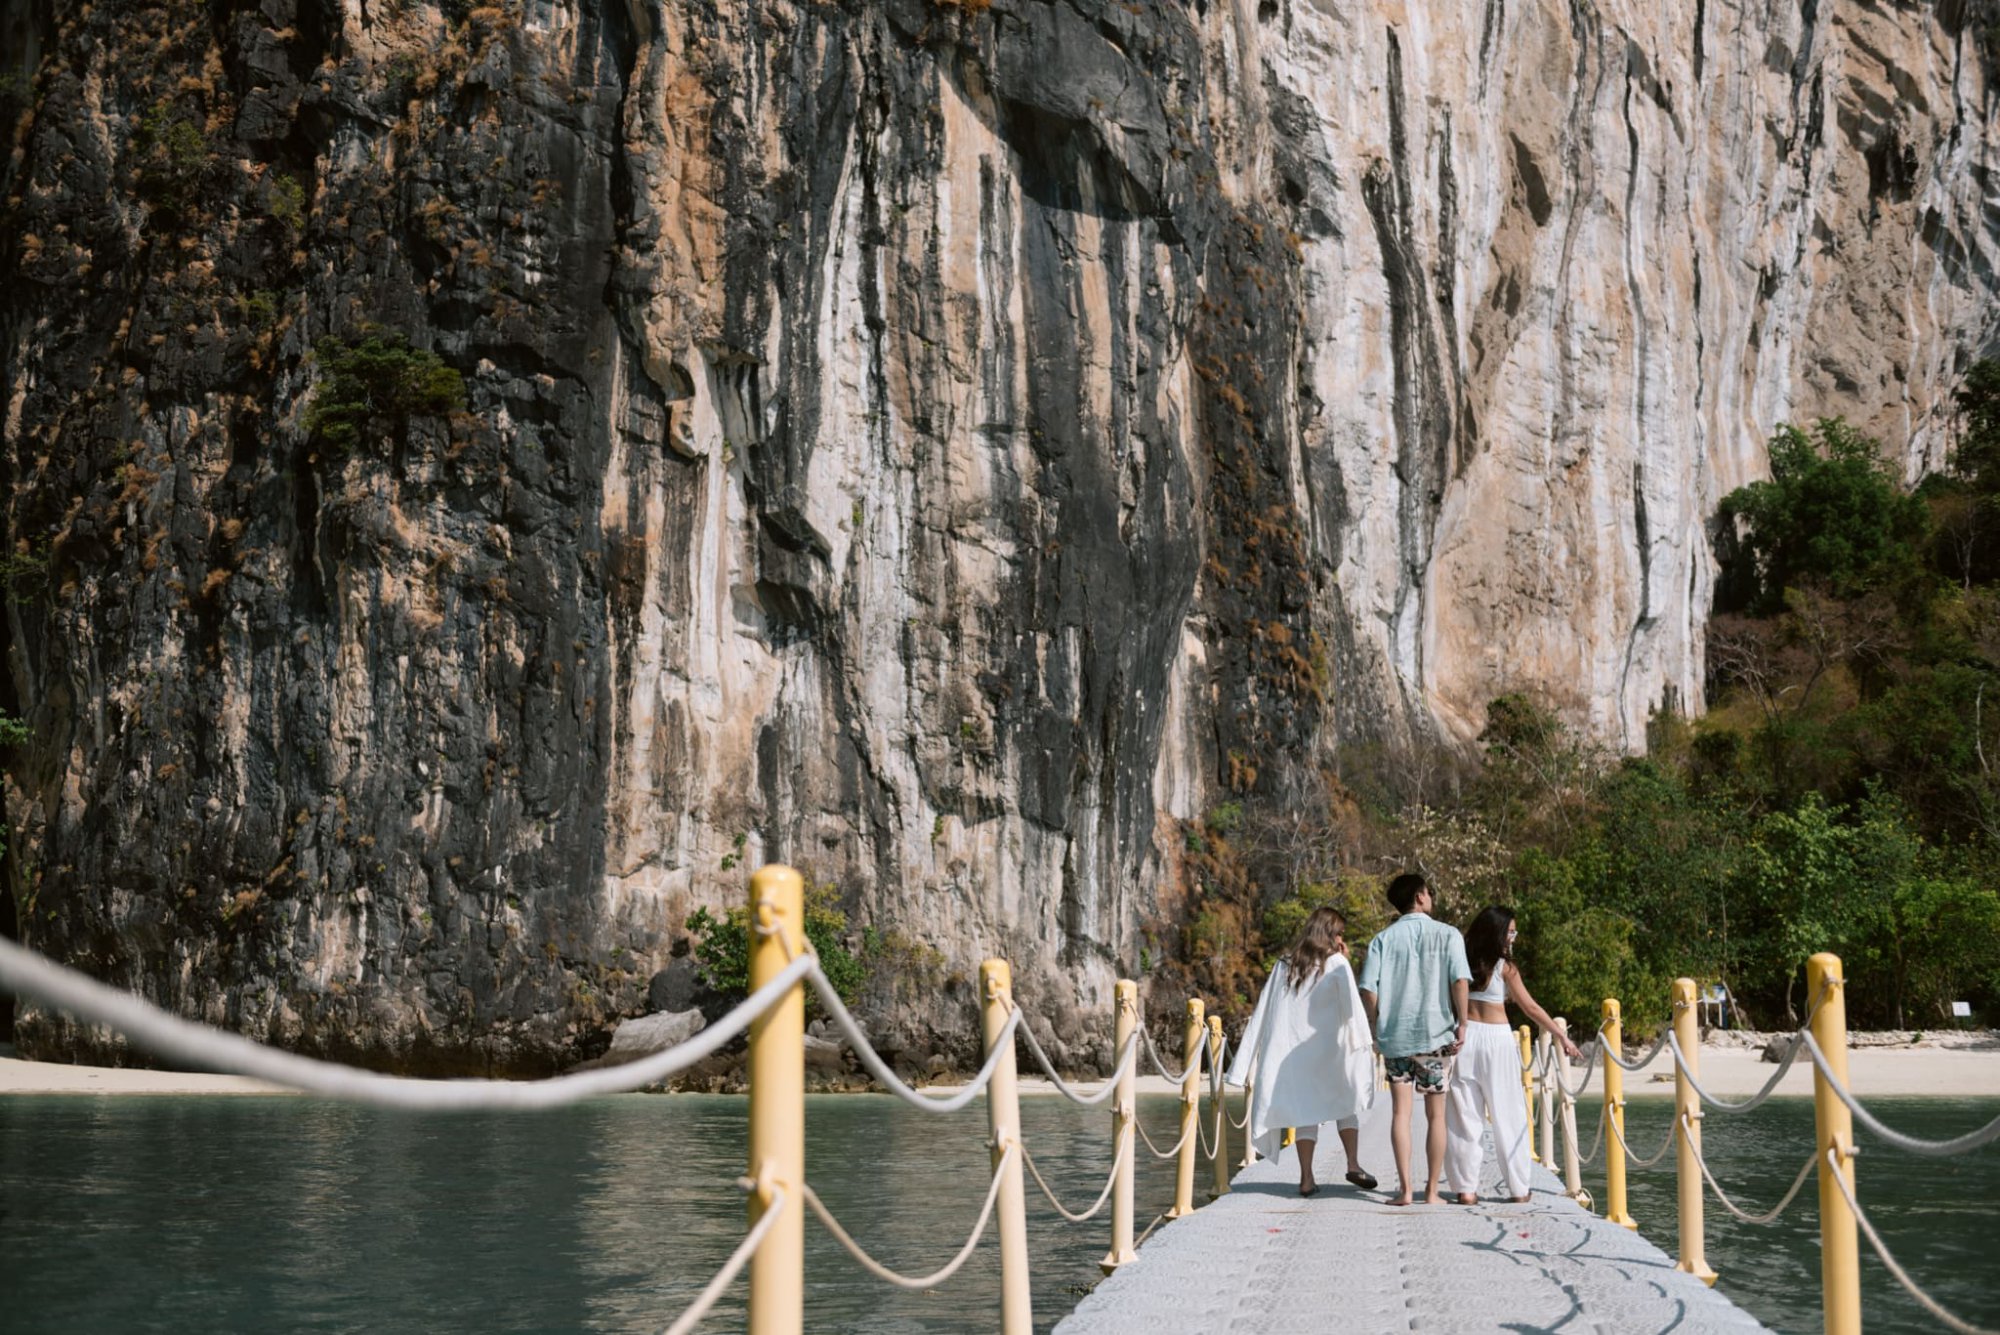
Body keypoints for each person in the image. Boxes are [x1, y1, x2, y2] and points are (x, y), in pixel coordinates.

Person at [1226, 906, 1378, 1196]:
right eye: (1339, 934)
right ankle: (1353, 1164)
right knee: (1346, 1105)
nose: (1341, 940)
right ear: (1330, 934)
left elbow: (1265, 1011)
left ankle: (1306, 1179)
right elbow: (1351, 1010)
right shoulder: (1337, 964)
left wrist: (1244, 1063)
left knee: (1307, 1113)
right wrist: (1363, 1042)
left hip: (1296, 1056)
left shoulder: (1285, 964)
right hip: (1330, 1049)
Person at [1444, 905, 1584, 1204]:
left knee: (1464, 1116)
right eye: (1510, 932)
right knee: (1509, 1114)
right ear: (1496, 933)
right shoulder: (1505, 967)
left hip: (1465, 1037)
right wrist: (1560, 1034)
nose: (1513, 938)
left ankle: (1466, 1189)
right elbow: (1530, 1007)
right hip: (1496, 1040)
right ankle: (1519, 1189)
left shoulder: (1460, 960)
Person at [1357, 871, 1470, 1206]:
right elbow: (1460, 981)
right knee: (1436, 1115)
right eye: (1429, 892)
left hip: (1397, 1038)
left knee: (1400, 1114)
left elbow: (1368, 988)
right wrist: (1462, 1022)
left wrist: (1377, 1024)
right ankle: (1432, 1191)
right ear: (1421, 895)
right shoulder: (1448, 935)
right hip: (1435, 1037)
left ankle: (1405, 1190)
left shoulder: (1382, 939)